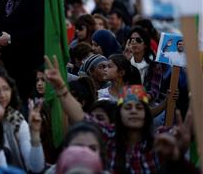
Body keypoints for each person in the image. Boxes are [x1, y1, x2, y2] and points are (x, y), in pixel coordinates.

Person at [43, 56, 194, 173]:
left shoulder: (159, 141)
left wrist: (179, 153)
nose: (134, 111)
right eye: (128, 107)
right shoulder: (108, 136)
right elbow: (80, 116)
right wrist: (61, 88)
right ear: (119, 113)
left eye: (139, 108)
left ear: (146, 114)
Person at [0, 66, 45, 172]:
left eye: (5, 89)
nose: (2, 95)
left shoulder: (16, 120)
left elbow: (36, 168)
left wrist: (35, 134)